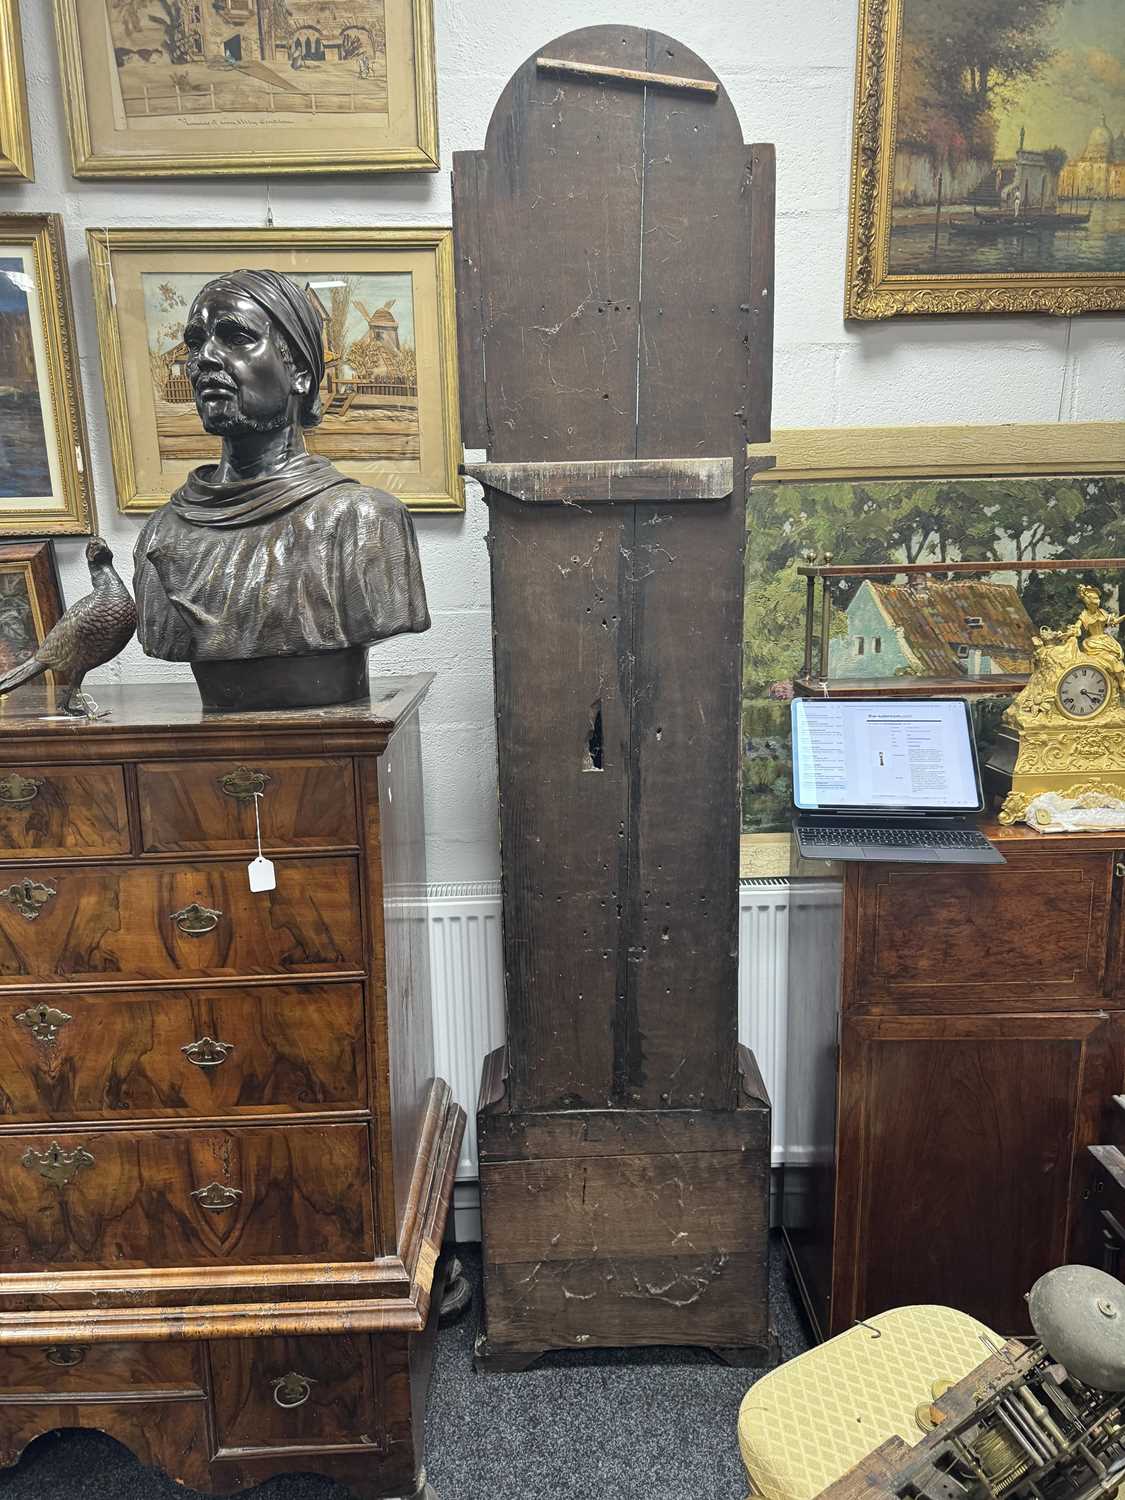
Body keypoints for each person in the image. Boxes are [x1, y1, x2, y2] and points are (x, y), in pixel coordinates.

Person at [133, 269, 430, 710]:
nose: (205, 359)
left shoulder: (365, 522)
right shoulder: (161, 538)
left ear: (302, 375)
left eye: (236, 337)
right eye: (197, 342)